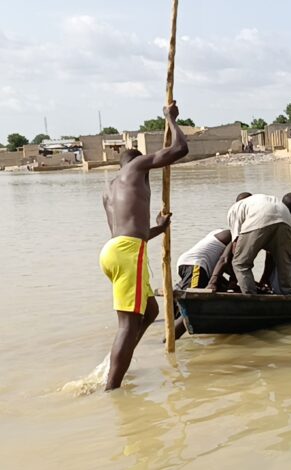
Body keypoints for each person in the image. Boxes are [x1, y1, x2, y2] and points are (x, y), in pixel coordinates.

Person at [99, 102, 188, 390]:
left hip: (114, 250)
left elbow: (126, 231)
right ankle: (111, 386)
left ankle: (118, 363)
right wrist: (171, 120)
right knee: (127, 324)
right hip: (127, 253)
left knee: (149, 312)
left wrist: (159, 229)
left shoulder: (110, 189)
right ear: (139, 164)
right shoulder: (136, 166)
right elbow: (179, 150)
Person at [227, 192, 291, 295]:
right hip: (286, 216)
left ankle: (251, 297)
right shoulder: (259, 199)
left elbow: (236, 246)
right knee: (284, 263)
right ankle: (289, 296)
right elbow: (270, 253)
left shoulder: (234, 209)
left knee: (240, 264)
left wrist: (234, 278)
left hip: (260, 216)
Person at [173, 229, 232, 339]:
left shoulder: (219, 232)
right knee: (192, 304)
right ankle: (168, 340)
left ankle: (171, 324)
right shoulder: (233, 235)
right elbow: (225, 260)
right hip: (196, 265)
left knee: (183, 306)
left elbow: (221, 265)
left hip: (190, 264)